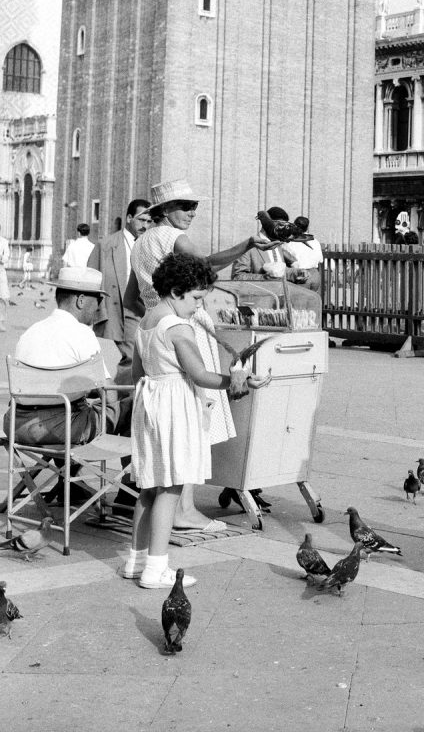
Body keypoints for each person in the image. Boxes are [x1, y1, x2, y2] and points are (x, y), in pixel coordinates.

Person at [129, 177, 276, 532]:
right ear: (164, 210)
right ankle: (185, 508)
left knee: (174, 413)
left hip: (154, 325)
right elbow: (206, 267)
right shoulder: (172, 237)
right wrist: (246, 245)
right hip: (186, 326)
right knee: (197, 409)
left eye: (194, 206)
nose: (192, 212)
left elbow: (130, 297)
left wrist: (156, 308)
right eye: (185, 206)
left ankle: (175, 506)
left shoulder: (138, 244)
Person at [123, 254, 268, 589]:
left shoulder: (147, 320)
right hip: (175, 406)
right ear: (176, 291)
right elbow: (200, 374)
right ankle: (156, 569)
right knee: (172, 485)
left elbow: (136, 373)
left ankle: (136, 560)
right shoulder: (178, 326)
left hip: (150, 402)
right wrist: (240, 381)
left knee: (148, 485)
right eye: (197, 299)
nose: (198, 307)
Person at [4, 266, 119, 448]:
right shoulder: (82, 333)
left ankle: (68, 474)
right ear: (81, 300)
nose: (99, 307)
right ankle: (128, 475)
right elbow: (108, 393)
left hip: (16, 425)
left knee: (73, 409)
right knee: (127, 408)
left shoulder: (31, 332)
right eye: (99, 299)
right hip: (59, 429)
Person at [88, 199, 152, 384]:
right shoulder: (106, 245)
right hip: (117, 311)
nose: (145, 225)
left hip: (142, 310)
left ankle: (122, 406)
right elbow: (92, 279)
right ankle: (117, 406)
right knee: (122, 360)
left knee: (138, 360)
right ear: (129, 218)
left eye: (149, 221)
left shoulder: (149, 245)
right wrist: (97, 313)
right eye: (141, 220)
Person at [0, 224, 10, 332]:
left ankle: (1, 322)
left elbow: (7, 256)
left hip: (0, 270)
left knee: (2, 297)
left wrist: (1, 258)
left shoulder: (4, 242)